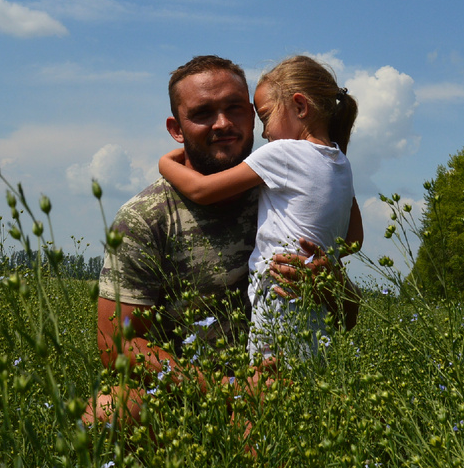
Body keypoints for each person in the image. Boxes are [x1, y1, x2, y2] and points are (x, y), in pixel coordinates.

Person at [86, 55, 357, 427]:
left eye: (236, 109)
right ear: (176, 128)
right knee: (109, 412)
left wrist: (335, 287)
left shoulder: (287, 194)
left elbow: (349, 314)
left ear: (251, 113)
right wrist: (228, 389)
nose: (224, 123)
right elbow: (116, 343)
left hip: (279, 385)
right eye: (202, 113)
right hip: (185, 395)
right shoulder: (145, 217)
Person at [159, 55, 362, 363]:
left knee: (267, 391)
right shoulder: (341, 163)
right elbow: (354, 239)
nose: (265, 132)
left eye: (266, 117)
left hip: (280, 303)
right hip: (317, 316)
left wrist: (165, 163)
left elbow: (202, 191)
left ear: (300, 106)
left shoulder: (282, 153)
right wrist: (318, 260)